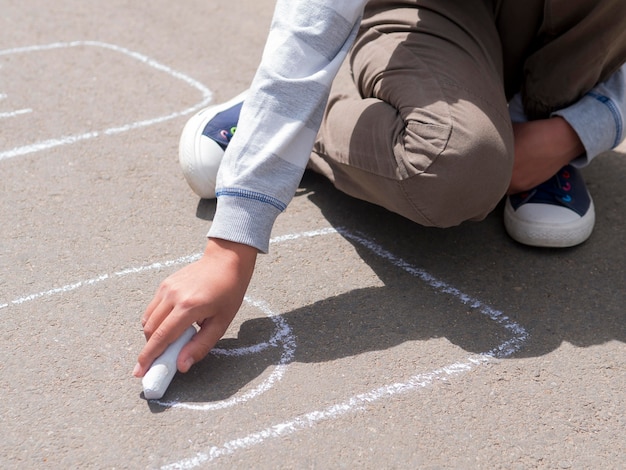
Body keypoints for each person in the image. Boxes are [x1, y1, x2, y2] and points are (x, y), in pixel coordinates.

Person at [133, 0, 626, 379]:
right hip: (426, 17)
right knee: (458, 167)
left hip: (567, 49)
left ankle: (528, 120)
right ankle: (316, 107)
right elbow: (314, 21)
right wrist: (230, 249)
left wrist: (577, 127)